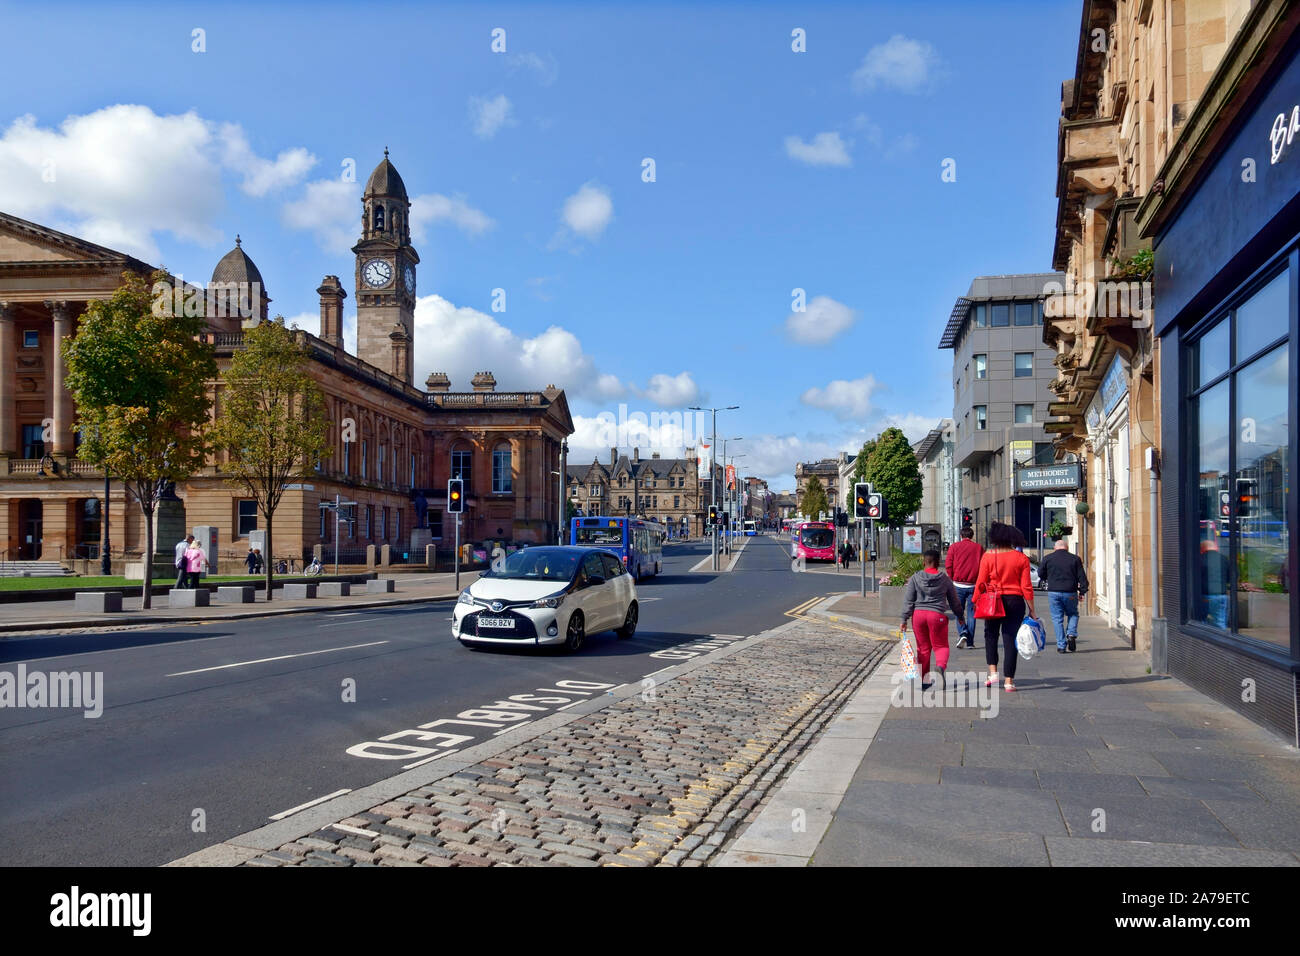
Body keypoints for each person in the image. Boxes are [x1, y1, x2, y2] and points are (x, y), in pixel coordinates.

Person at [973, 522, 1037, 693]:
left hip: (993, 600)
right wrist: (1032, 609)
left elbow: (981, 581)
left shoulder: (988, 556)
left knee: (990, 635)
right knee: (1010, 640)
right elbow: (1027, 587)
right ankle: (1009, 681)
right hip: (1015, 601)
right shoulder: (1021, 558)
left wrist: (975, 600)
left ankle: (993, 673)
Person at [900, 549, 965, 691]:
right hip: (937, 616)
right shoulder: (945, 579)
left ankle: (924, 680)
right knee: (941, 646)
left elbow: (908, 600)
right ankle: (940, 667)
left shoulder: (915, 578)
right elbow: (954, 601)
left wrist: (904, 619)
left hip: (918, 616)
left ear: (924, 562)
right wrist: (960, 616)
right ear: (938, 562)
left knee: (923, 649)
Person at [1039, 538, 1089, 652]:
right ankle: (1071, 634)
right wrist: (1082, 591)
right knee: (1073, 614)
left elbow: (1040, 573)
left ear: (1055, 548)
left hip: (1054, 592)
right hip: (1070, 592)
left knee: (1057, 619)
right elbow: (1082, 577)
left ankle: (1061, 646)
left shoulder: (1047, 558)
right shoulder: (1075, 559)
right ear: (1066, 548)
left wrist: (1049, 577)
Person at [944, 526, 983, 649]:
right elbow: (983, 566)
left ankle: (962, 631)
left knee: (958, 612)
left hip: (958, 585)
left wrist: (953, 577)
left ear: (961, 535)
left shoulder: (954, 547)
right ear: (972, 536)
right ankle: (970, 642)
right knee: (972, 614)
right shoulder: (979, 548)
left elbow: (948, 564)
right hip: (973, 585)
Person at [1199, 538, 1231, 628]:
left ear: (1202, 549)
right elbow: (1232, 576)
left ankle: (1201, 641)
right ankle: (1221, 640)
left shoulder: (1200, 559)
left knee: (1201, 621)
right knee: (1220, 621)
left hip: (1204, 595)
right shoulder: (1224, 559)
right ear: (1216, 548)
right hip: (1221, 595)